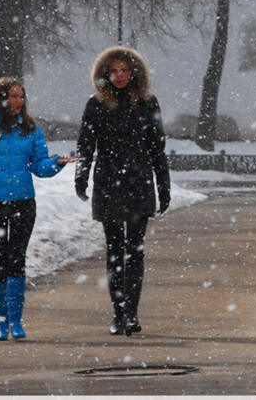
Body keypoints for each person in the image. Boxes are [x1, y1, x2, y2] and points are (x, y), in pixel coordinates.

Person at [0, 76, 78, 341]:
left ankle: (16, 320)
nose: (19, 101)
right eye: (14, 96)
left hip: (23, 203)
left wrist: (57, 162)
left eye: (21, 97)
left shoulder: (30, 129)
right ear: (1, 99)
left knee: (17, 259)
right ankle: (1, 323)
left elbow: (39, 166)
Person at [75, 46, 171, 336]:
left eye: (124, 70)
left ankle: (132, 312)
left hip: (138, 183)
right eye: (114, 71)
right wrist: (81, 176)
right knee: (115, 251)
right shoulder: (96, 104)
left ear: (134, 73)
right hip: (108, 182)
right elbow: (86, 144)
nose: (119, 76)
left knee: (135, 251)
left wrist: (163, 184)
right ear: (105, 73)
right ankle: (118, 313)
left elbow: (157, 148)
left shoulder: (147, 103)